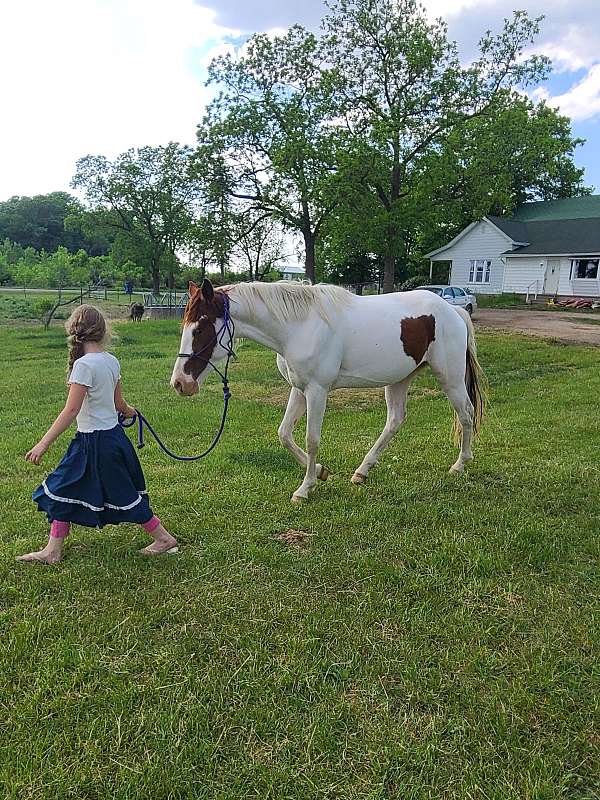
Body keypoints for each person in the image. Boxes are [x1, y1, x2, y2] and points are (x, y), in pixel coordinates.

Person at [18, 305, 177, 564]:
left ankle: (164, 539)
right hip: (109, 440)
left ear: (74, 332)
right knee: (64, 488)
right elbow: (119, 404)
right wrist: (129, 411)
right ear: (102, 331)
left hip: (95, 444)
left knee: (122, 493)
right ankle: (52, 550)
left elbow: (71, 411)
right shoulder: (111, 361)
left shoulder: (83, 366)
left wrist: (42, 443)